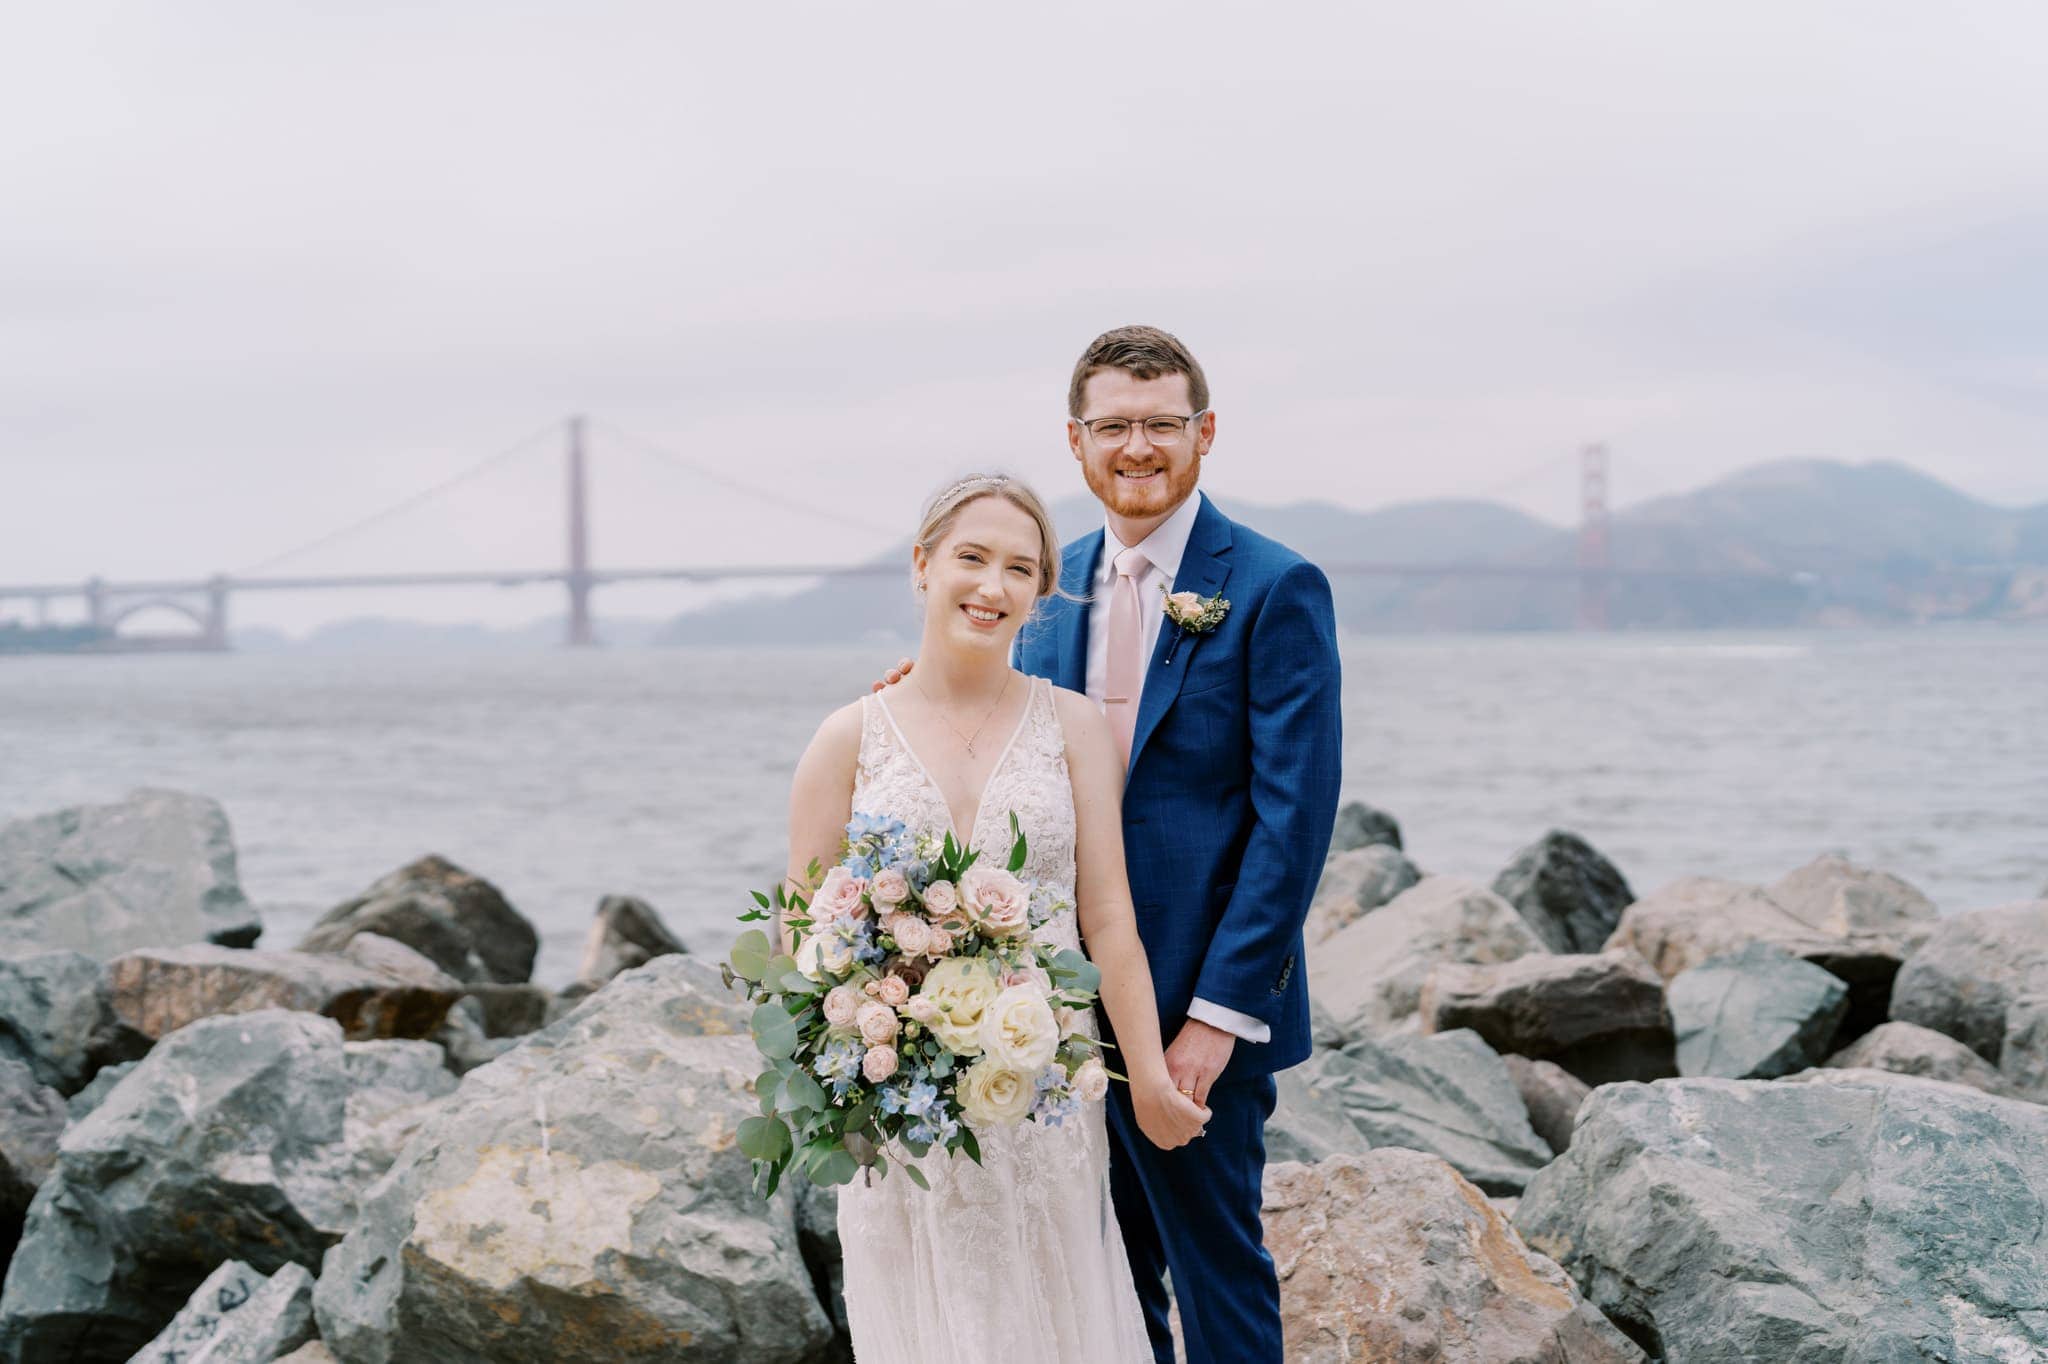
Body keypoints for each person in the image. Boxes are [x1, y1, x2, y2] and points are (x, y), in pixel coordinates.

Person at [883, 326, 1342, 1364]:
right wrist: (900, 703)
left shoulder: (1274, 587)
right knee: (1095, 1272)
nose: (1137, 446)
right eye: (1113, 426)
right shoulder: (1049, 586)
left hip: (1193, 1006)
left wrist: (1218, 1021)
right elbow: (985, 715)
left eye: (1160, 424)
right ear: (1077, 441)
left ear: (1203, 432)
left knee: (1214, 1270)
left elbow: (1292, 822)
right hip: (1047, 1006)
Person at [784, 473, 1209, 1363]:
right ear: (922, 566)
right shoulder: (847, 738)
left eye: (1021, 569)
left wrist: (1148, 1082)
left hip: (1045, 1096)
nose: (993, 586)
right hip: (903, 1110)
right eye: (971, 558)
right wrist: (861, 1041)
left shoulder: (1076, 727)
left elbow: (1110, 920)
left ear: (1041, 592)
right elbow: (801, 937)